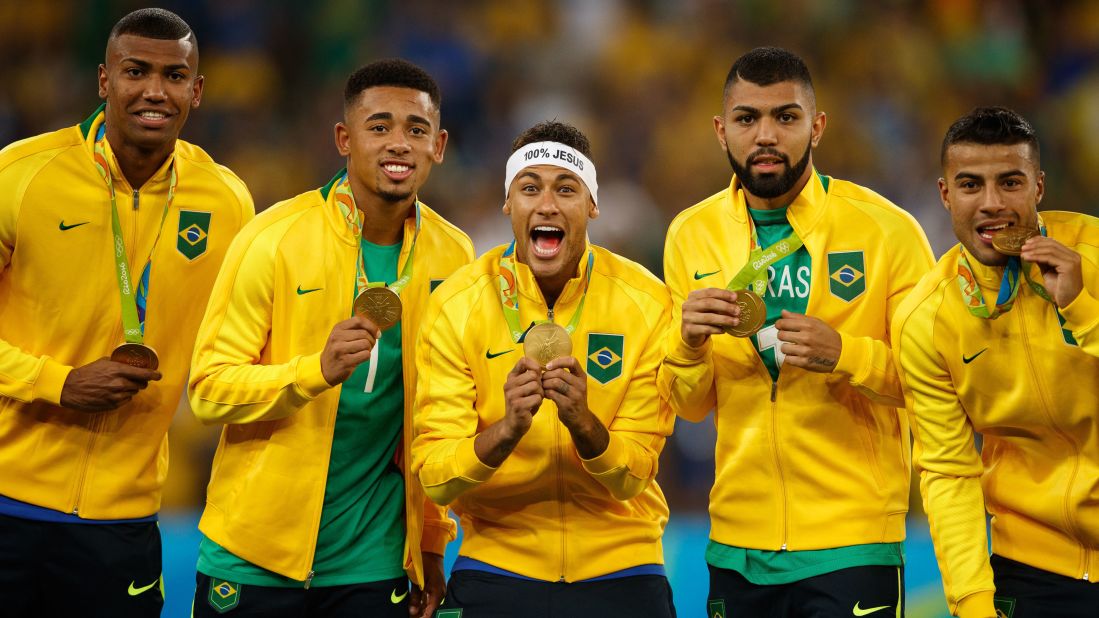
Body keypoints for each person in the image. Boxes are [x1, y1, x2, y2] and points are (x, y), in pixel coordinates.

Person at [187, 59, 472, 618]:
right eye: (379, 126)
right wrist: (311, 371)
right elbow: (208, 390)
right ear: (344, 138)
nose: (399, 144)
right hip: (253, 555)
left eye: (416, 130)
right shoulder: (273, 238)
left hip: (376, 563)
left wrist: (432, 542)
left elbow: (439, 414)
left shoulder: (454, 257)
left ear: (438, 146)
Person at [660, 46, 935, 617]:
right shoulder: (691, 235)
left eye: (785, 117)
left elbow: (938, 386)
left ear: (817, 126)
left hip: (853, 543)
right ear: (720, 130)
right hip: (737, 543)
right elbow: (689, 406)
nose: (765, 135)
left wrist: (848, 354)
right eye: (746, 118)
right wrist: (686, 345)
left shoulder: (888, 231)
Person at [0, 8, 253, 616]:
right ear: (103, 80)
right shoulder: (21, 177)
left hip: (124, 519)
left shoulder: (228, 201)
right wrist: (57, 384)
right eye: (135, 71)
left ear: (197, 90)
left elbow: (237, 345)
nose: (154, 91)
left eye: (174, 75)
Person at [411, 120, 675, 618]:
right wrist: (508, 429)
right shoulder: (457, 304)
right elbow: (437, 478)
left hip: (624, 566)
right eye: (529, 187)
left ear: (592, 206)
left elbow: (633, 476)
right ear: (508, 203)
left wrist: (583, 422)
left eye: (566, 189)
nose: (547, 204)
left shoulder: (646, 302)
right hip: (496, 566)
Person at [893, 106, 1099, 618]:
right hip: (1030, 567)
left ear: (1038, 187)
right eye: (970, 185)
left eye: (1010, 183)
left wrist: (1083, 311)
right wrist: (973, 602)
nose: (992, 205)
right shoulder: (926, 317)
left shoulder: (1094, 254)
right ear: (945, 194)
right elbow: (947, 471)